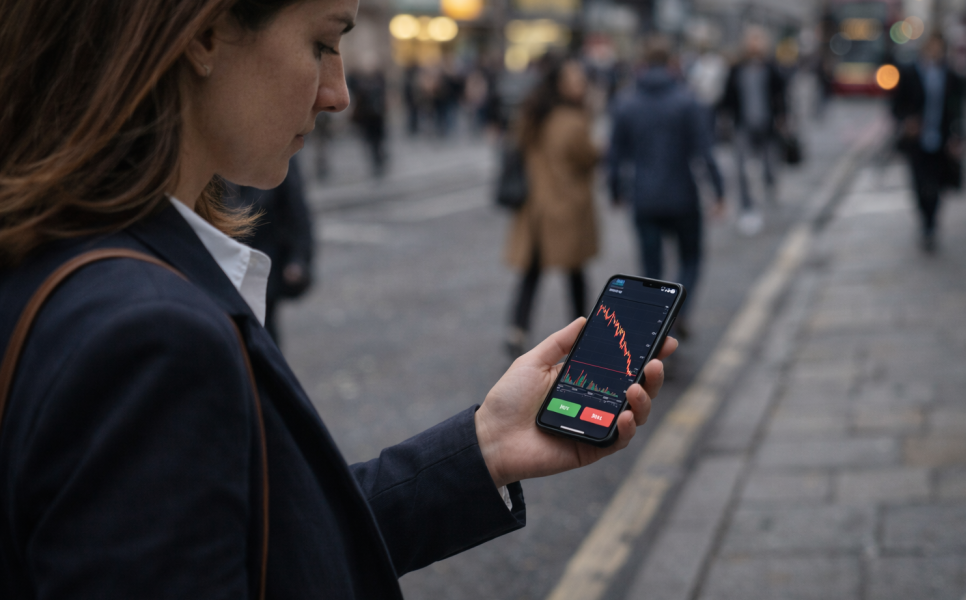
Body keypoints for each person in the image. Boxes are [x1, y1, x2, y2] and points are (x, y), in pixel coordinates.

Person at [0, 1, 679, 597]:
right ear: (203, 33)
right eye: (323, 43)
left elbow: (277, 546)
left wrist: (483, 448)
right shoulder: (149, 341)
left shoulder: (56, 252)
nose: (339, 93)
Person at [607, 40, 725, 340]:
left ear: (642, 65)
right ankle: (678, 314)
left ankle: (658, 327)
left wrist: (615, 190)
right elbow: (704, 151)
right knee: (691, 259)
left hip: (644, 197)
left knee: (651, 272)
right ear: (671, 64)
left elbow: (614, 154)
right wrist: (719, 191)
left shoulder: (626, 101)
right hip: (682, 196)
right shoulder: (687, 100)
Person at [505, 57, 601, 357]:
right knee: (575, 272)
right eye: (576, 79)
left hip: (535, 207)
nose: (582, 83)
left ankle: (516, 330)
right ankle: (583, 330)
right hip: (566, 207)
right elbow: (589, 157)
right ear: (561, 85)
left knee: (531, 273)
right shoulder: (573, 121)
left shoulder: (533, 115)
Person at [225, 156, 314, 346]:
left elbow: (295, 208)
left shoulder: (276, 151)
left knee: (263, 331)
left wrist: (298, 258)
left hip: (263, 259)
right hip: (228, 263)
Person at [891, 32, 966, 253]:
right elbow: (896, 106)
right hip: (917, 142)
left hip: (941, 141)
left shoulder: (952, 76)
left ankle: (931, 225)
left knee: (937, 187)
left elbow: (959, 111)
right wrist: (907, 122)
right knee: (920, 186)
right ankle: (925, 221)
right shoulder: (910, 73)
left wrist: (958, 137)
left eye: (939, 47)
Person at [718, 26, 787, 236]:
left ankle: (769, 193)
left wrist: (783, 118)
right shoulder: (736, 69)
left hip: (767, 126)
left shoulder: (771, 68)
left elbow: (781, 95)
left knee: (769, 166)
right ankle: (746, 208)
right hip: (743, 125)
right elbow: (727, 98)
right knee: (741, 170)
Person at [347, 62, 388, 177]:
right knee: (375, 142)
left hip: (373, 120)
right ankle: (378, 159)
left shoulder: (365, 86)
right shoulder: (374, 86)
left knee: (373, 142)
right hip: (373, 119)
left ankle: (377, 159)